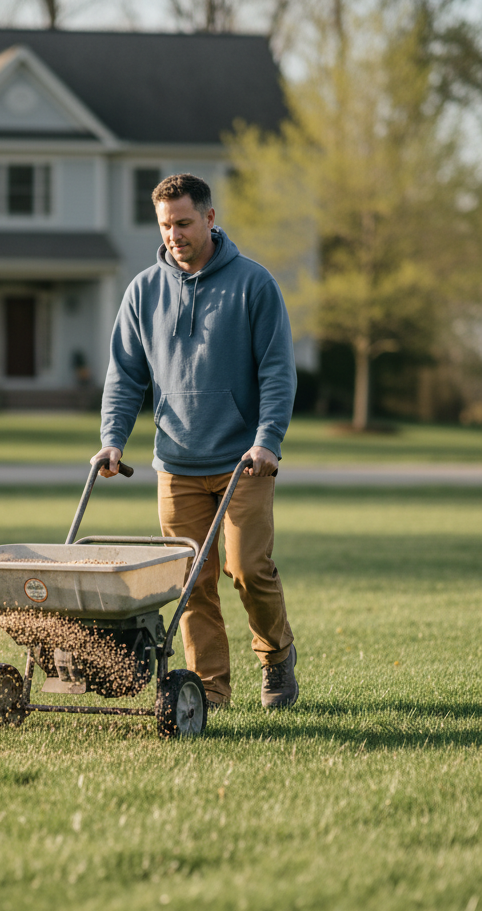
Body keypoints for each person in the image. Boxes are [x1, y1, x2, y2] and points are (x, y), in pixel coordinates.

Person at [91, 173, 298, 709]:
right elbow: (125, 375)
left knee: (247, 569)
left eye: (183, 223)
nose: (174, 235)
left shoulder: (253, 284)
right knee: (192, 583)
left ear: (209, 217)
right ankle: (209, 691)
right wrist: (113, 439)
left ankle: (276, 656)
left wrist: (268, 440)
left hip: (244, 462)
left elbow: (277, 370)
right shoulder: (143, 290)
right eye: (165, 225)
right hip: (176, 463)